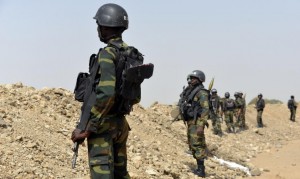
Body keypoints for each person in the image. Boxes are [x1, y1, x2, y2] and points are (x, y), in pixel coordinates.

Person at [71, 4, 132, 178]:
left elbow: (106, 93)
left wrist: (89, 127)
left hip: (103, 126)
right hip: (120, 123)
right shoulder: (129, 53)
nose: (98, 29)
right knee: (121, 174)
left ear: (105, 27)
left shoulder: (108, 54)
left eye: (99, 26)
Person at [179, 70, 209, 177]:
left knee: (197, 144)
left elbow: (205, 109)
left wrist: (201, 125)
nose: (191, 80)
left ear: (199, 80)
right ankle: (199, 167)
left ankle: (201, 170)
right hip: (191, 122)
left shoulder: (202, 92)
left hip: (197, 122)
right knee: (192, 144)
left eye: (193, 79)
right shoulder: (192, 91)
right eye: (190, 78)